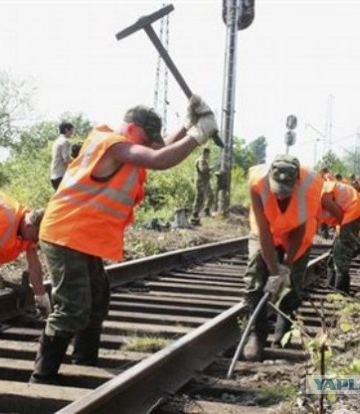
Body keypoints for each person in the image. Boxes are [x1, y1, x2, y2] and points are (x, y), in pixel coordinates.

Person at [29, 95, 219, 384]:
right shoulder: (112, 144)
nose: (151, 143)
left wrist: (186, 126)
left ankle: (84, 362)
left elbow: (160, 148)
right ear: (131, 129)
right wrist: (199, 134)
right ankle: (41, 377)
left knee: (97, 300)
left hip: (83, 237)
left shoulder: (129, 146)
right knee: (73, 307)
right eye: (146, 137)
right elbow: (159, 158)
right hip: (65, 234)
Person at [242, 155, 323, 361]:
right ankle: (257, 335)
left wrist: (285, 266)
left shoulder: (311, 188)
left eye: (285, 192)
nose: (279, 196)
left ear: (296, 184)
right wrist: (273, 270)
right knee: (254, 279)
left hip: (295, 234)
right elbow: (264, 231)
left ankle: (282, 333)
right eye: (276, 190)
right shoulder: (257, 183)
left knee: (293, 284)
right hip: (266, 231)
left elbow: (298, 231)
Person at [319, 181, 360, 293]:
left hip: (354, 211)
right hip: (350, 213)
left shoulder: (320, 195)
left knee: (341, 251)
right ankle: (332, 286)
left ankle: (341, 291)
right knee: (335, 250)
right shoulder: (309, 199)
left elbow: (339, 215)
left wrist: (345, 236)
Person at [50, 121, 74, 190]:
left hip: (54, 176)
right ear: (66, 130)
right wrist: (79, 162)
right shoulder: (65, 141)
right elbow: (66, 159)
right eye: (72, 130)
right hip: (61, 176)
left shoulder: (56, 142)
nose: (72, 133)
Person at [191, 147, 212, 225]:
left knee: (199, 197)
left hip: (201, 181)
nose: (208, 155)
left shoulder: (202, 159)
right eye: (208, 154)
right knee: (209, 195)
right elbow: (202, 169)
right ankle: (206, 210)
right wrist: (209, 168)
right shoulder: (201, 160)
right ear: (205, 153)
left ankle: (195, 213)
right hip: (202, 182)